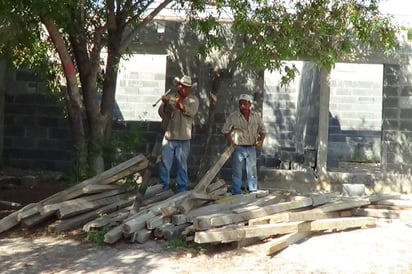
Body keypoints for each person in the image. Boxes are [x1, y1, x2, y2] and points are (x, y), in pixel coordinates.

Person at [157, 75, 199, 193]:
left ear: (189, 89)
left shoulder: (193, 100)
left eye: (185, 87)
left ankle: (182, 189)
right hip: (169, 137)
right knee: (165, 165)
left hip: (184, 138)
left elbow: (190, 112)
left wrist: (177, 102)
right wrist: (165, 103)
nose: (182, 88)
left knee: (182, 166)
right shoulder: (170, 98)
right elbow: (161, 114)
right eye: (181, 86)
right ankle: (163, 189)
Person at [222, 94, 266, 194]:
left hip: (251, 147)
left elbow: (263, 131)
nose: (242, 106)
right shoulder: (234, 116)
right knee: (237, 171)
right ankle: (236, 191)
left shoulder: (256, 116)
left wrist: (260, 141)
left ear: (249, 104)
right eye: (240, 104)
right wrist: (230, 142)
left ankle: (253, 190)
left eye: (244, 104)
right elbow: (225, 130)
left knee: (252, 171)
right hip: (238, 148)